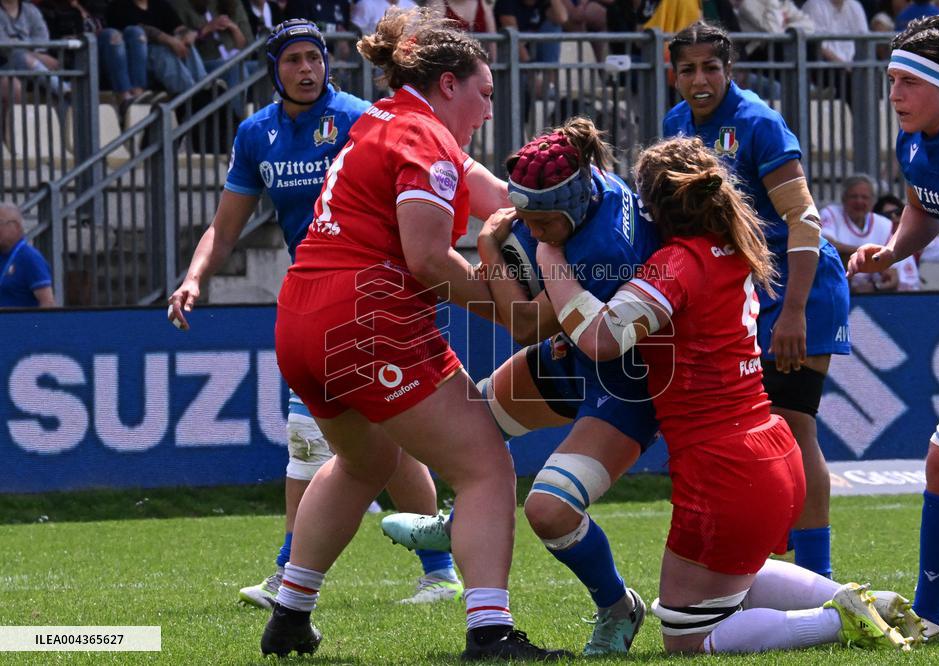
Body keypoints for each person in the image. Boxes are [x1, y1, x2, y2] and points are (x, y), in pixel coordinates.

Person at [256, 8, 564, 659]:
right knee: (484, 466)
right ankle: (489, 631)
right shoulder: (425, 138)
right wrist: (514, 312)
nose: (488, 106)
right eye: (483, 91)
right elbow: (426, 258)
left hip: (301, 318)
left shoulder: (386, 118)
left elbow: (504, 197)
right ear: (448, 84)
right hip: (365, 319)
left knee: (365, 461)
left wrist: (575, 209)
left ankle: (289, 613)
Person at [538, 135, 917, 655]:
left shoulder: (676, 265)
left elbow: (602, 338)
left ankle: (836, 621)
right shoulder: (733, 248)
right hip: (769, 451)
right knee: (735, 581)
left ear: (654, 209)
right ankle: (861, 599)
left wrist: (551, 258)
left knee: (688, 639)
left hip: (725, 470)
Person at [167, 19, 464, 610]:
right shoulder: (257, 135)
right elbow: (225, 228)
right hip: (319, 298)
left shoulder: (359, 116)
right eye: (293, 60)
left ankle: (291, 573)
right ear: (272, 69)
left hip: (376, 295)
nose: (306, 69)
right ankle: (440, 569)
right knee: (381, 446)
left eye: (315, 57)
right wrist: (194, 277)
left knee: (317, 440)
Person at [385, 118, 662, 655]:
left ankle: (618, 607)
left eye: (543, 224)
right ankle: (463, 520)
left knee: (549, 510)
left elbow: (526, 324)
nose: (533, 234)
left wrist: (489, 247)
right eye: (526, 220)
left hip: (627, 383)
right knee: (467, 431)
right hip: (576, 351)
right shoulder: (588, 186)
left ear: (573, 207)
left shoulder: (602, 247)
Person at [662, 21, 851, 579]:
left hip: (800, 286)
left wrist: (792, 311)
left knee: (793, 424)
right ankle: (774, 568)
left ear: (730, 71)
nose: (701, 79)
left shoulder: (759, 124)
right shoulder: (677, 126)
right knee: (753, 429)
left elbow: (804, 218)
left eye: (711, 68)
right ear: (673, 76)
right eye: (689, 69)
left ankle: (818, 576)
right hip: (743, 293)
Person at [847, 15, 939, 640]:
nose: (894, 95)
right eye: (889, 81)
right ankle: (929, 614)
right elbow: (921, 208)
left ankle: (928, 618)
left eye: (908, 82)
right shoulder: (913, 143)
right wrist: (891, 250)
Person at [820, 173, 919, 292]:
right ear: (843, 198)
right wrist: (867, 254)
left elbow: (892, 270)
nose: (859, 201)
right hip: (835, 288)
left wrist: (876, 286)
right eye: (853, 196)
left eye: (864, 197)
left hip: (872, 295)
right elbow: (827, 246)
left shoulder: (883, 224)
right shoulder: (830, 214)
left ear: (873, 201)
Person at [0, 203, 55, 308]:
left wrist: (35, 324)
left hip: (20, 323)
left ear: (15, 226)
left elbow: (48, 303)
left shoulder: (30, 258)